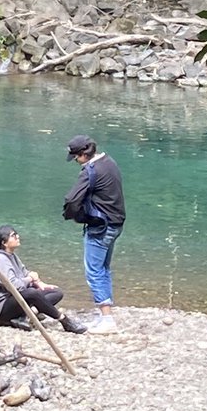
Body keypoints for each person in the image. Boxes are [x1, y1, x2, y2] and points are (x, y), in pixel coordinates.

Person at [63, 134, 126, 334]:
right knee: (104, 268)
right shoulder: (110, 162)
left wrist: (74, 216)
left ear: (83, 154)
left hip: (100, 227)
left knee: (94, 271)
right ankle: (103, 314)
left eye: (75, 157)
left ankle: (107, 319)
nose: (75, 161)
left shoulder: (90, 170)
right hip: (116, 225)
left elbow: (72, 200)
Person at [0, 225, 87, 333]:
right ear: (4, 243)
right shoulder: (0, 259)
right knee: (32, 293)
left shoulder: (11, 256)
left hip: (17, 299)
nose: (18, 237)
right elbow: (14, 286)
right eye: (13, 235)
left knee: (56, 292)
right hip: (1, 308)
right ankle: (64, 320)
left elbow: (25, 273)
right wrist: (30, 279)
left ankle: (27, 316)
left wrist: (40, 283)